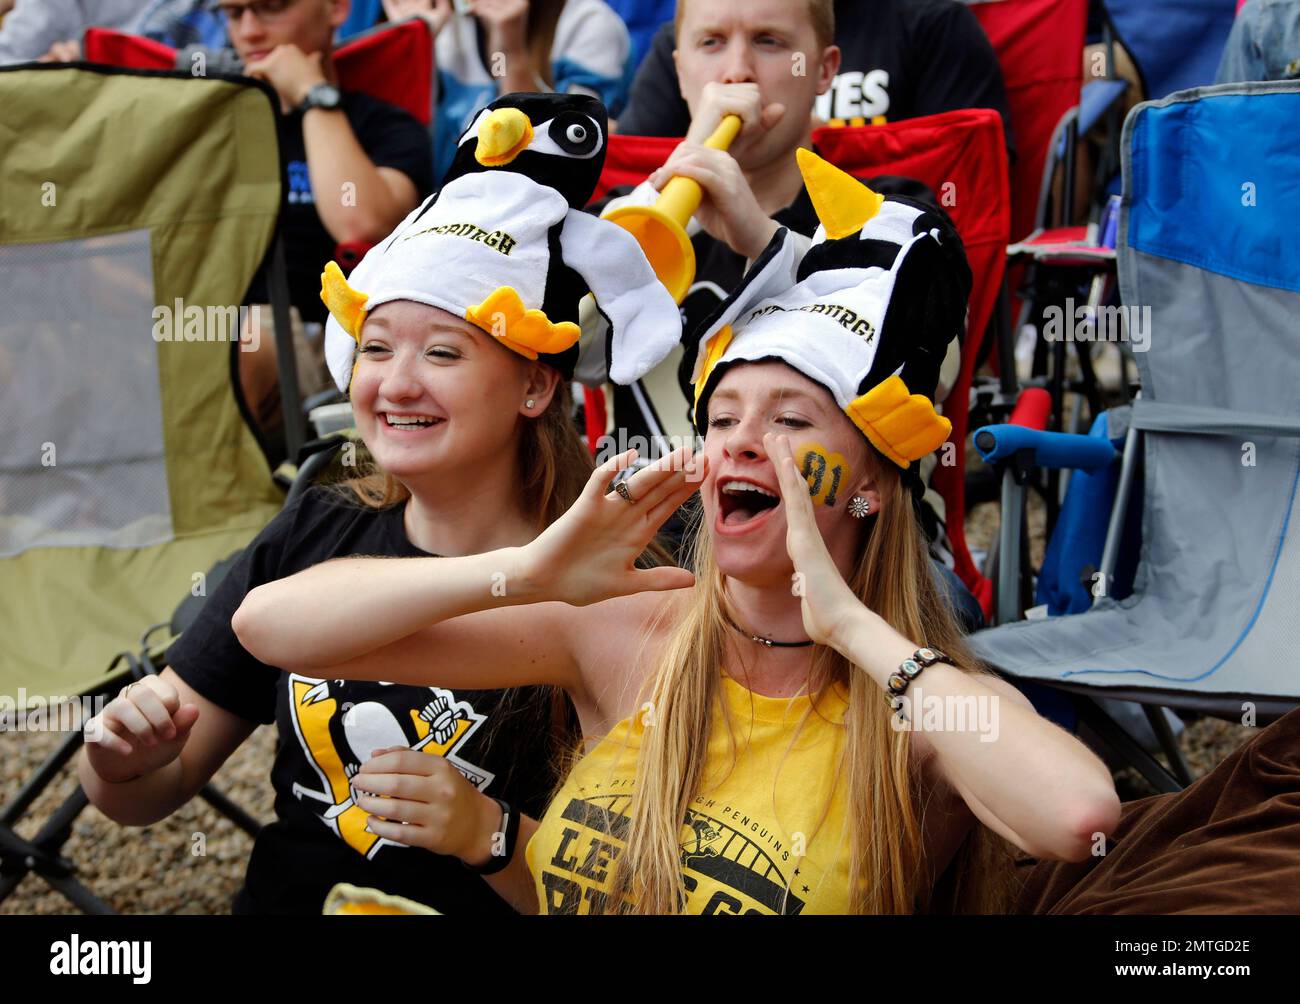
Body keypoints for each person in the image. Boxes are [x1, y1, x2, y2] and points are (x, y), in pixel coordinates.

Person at [232, 155, 1121, 914]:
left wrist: (848, 626)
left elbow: (1078, 817)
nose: (742, 438)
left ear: (875, 483)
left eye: (793, 420)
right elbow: (270, 627)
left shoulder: (917, 700)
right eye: (723, 413)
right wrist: (526, 570)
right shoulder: (633, 628)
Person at [78, 92, 678, 914]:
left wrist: (491, 829)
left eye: (441, 352)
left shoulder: (618, 565)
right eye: (376, 348)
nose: (396, 384)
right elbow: (156, 787)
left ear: (537, 383)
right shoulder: (322, 522)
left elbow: (632, 896)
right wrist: (114, 760)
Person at [220, 0, 434, 451]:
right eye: (234, 13)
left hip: (325, 346)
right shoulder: (211, 126)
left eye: (271, 9)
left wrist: (312, 94)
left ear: (336, 8)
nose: (250, 31)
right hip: (193, 327)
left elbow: (360, 223)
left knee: (242, 337)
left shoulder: (381, 125)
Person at [615, 0, 1011, 146]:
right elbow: (633, 170)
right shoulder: (686, 39)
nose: (737, 72)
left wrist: (828, 150)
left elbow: (963, 194)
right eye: (714, 42)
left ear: (827, 68)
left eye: (768, 41)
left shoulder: (933, 25)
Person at [384, 0, 634, 185]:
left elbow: (565, 156)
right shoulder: (439, 17)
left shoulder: (588, 23)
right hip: (441, 208)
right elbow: (391, 145)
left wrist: (510, 49)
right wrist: (410, 42)